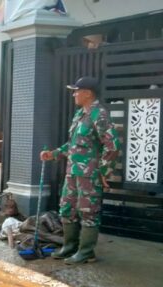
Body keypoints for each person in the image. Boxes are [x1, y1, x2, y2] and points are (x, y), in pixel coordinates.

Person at [40, 76, 120, 265]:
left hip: (89, 175)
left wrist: (103, 172)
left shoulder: (99, 115)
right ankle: (69, 247)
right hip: (73, 172)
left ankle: (86, 252)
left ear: (87, 93)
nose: (74, 94)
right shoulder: (80, 115)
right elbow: (74, 145)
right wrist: (53, 154)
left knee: (88, 211)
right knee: (67, 209)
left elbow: (112, 146)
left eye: (76, 91)